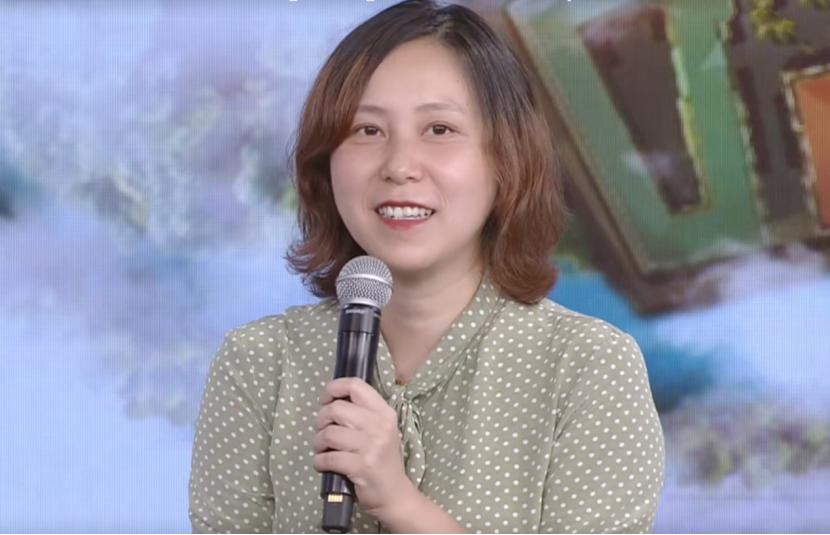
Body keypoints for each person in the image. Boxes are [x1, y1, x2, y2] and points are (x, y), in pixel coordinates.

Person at [188, 0, 665, 532]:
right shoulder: (259, 362)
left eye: (439, 129)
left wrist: (399, 503)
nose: (400, 166)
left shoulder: (588, 366)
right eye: (367, 130)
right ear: (327, 162)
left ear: (505, 159)